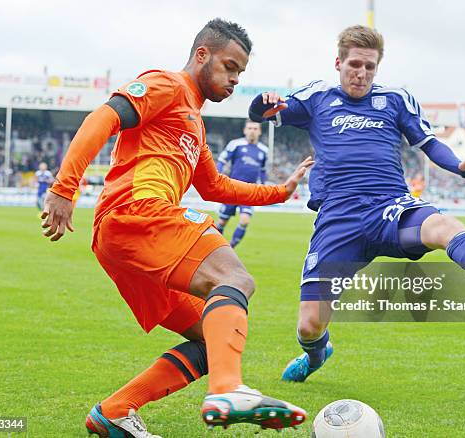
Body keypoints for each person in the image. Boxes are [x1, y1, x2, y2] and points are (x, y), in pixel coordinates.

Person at [41, 18, 312, 436]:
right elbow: (104, 117)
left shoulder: (195, 125)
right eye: (229, 67)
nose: (234, 80)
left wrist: (280, 191)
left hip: (124, 241)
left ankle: (115, 410)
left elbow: (215, 186)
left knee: (211, 337)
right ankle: (229, 389)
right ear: (201, 54)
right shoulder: (167, 85)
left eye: (240, 73)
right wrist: (64, 187)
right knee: (234, 278)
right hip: (137, 213)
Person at [248, 25, 465, 383]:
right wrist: (263, 101)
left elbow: (428, 143)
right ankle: (316, 355)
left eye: (370, 67)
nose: (361, 74)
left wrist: (462, 168)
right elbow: (262, 114)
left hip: (389, 206)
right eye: (355, 65)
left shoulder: (395, 99)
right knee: (310, 325)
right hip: (339, 219)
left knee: (442, 225)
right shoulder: (317, 97)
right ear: (338, 63)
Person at [216, 119, 268, 247]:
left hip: (249, 191)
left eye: (255, 129)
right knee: (222, 221)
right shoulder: (235, 144)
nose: (252, 131)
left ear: (259, 131)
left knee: (245, 220)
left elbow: (263, 171)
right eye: (250, 128)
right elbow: (222, 160)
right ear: (245, 130)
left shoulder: (263, 150)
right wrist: (217, 174)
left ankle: (231, 248)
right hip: (232, 188)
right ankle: (215, 247)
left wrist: (264, 185)